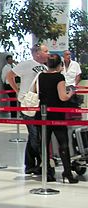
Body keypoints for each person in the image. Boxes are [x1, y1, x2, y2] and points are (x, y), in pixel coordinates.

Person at [6, 43, 48, 175]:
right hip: (28, 103)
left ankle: (32, 163)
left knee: (37, 135)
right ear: (37, 53)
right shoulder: (26, 64)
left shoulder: (46, 67)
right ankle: (32, 163)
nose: (48, 53)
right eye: (45, 51)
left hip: (40, 104)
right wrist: (17, 91)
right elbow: (10, 76)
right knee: (34, 134)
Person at [37, 54, 79, 183]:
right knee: (63, 143)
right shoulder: (59, 77)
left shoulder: (41, 76)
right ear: (59, 65)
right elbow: (63, 97)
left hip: (43, 112)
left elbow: (38, 92)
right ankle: (67, 173)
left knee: (44, 143)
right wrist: (71, 91)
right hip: (56, 114)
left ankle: (47, 172)